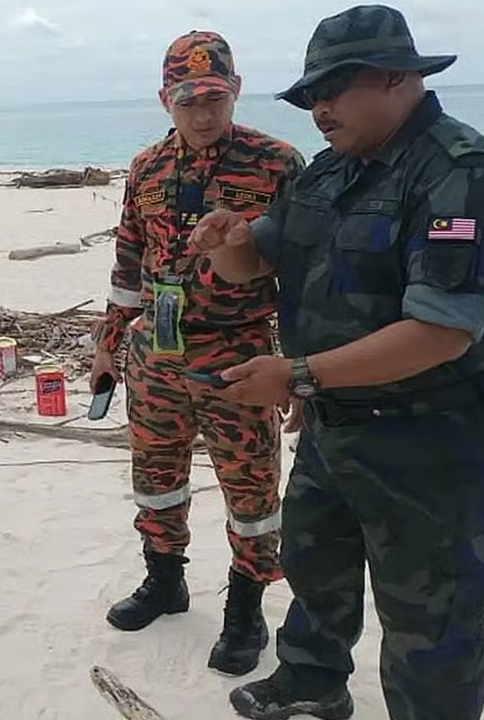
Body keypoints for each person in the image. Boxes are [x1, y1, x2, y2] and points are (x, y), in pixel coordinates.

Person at [188, 5, 484, 719]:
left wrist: (296, 375)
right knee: (317, 565)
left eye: (336, 87)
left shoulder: (461, 173)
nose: (318, 106)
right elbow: (253, 261)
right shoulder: (329, 173)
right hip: (335, 424)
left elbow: (442, 331)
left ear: (399, 76)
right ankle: (312, 681)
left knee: (430, 615)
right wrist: (224, 239)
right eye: (310, 93)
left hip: (438, 435)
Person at [91, 30, 305, 676]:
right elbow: (128, 260)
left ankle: (245, 606)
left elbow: (303, 276)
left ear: (235, 91)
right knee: (156, 479)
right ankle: (166, 579)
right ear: (165, 100)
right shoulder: (146, 169)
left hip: (238, 354)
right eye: (188, 99)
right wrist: (107, 345)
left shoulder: (278, 164)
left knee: (251, 488)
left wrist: (298, 369)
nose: (203, 113)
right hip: (155, 353)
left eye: (215, 97)